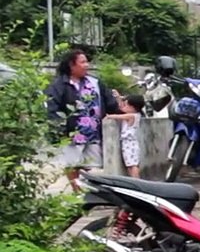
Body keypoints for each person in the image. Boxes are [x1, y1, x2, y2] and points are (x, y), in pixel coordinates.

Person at [45, 48, 121, 192]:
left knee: (90, 165)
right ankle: (77, 192)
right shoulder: (59, 85)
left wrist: (123, 111)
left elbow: (110, 103)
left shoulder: (95, 82)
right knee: (72, 165)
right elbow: (52, 109)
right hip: (72, 134)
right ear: (71, 65)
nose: (87, 65)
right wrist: (58, 130)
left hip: (93, 134)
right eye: (82, 62)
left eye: (87, 62)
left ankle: (84, 190)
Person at [105, 94, 146, 179]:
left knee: (132, 164)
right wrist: (118, 98)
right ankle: (134, 180)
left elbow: (118, 116)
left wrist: (108, 116)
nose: (124, 107)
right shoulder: (136, 114)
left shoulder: (131, 116)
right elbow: (122, 108)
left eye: (127, 105)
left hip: (130, 143)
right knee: (129, 165)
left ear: (133, 107)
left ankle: (137, 180)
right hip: (128, 142)